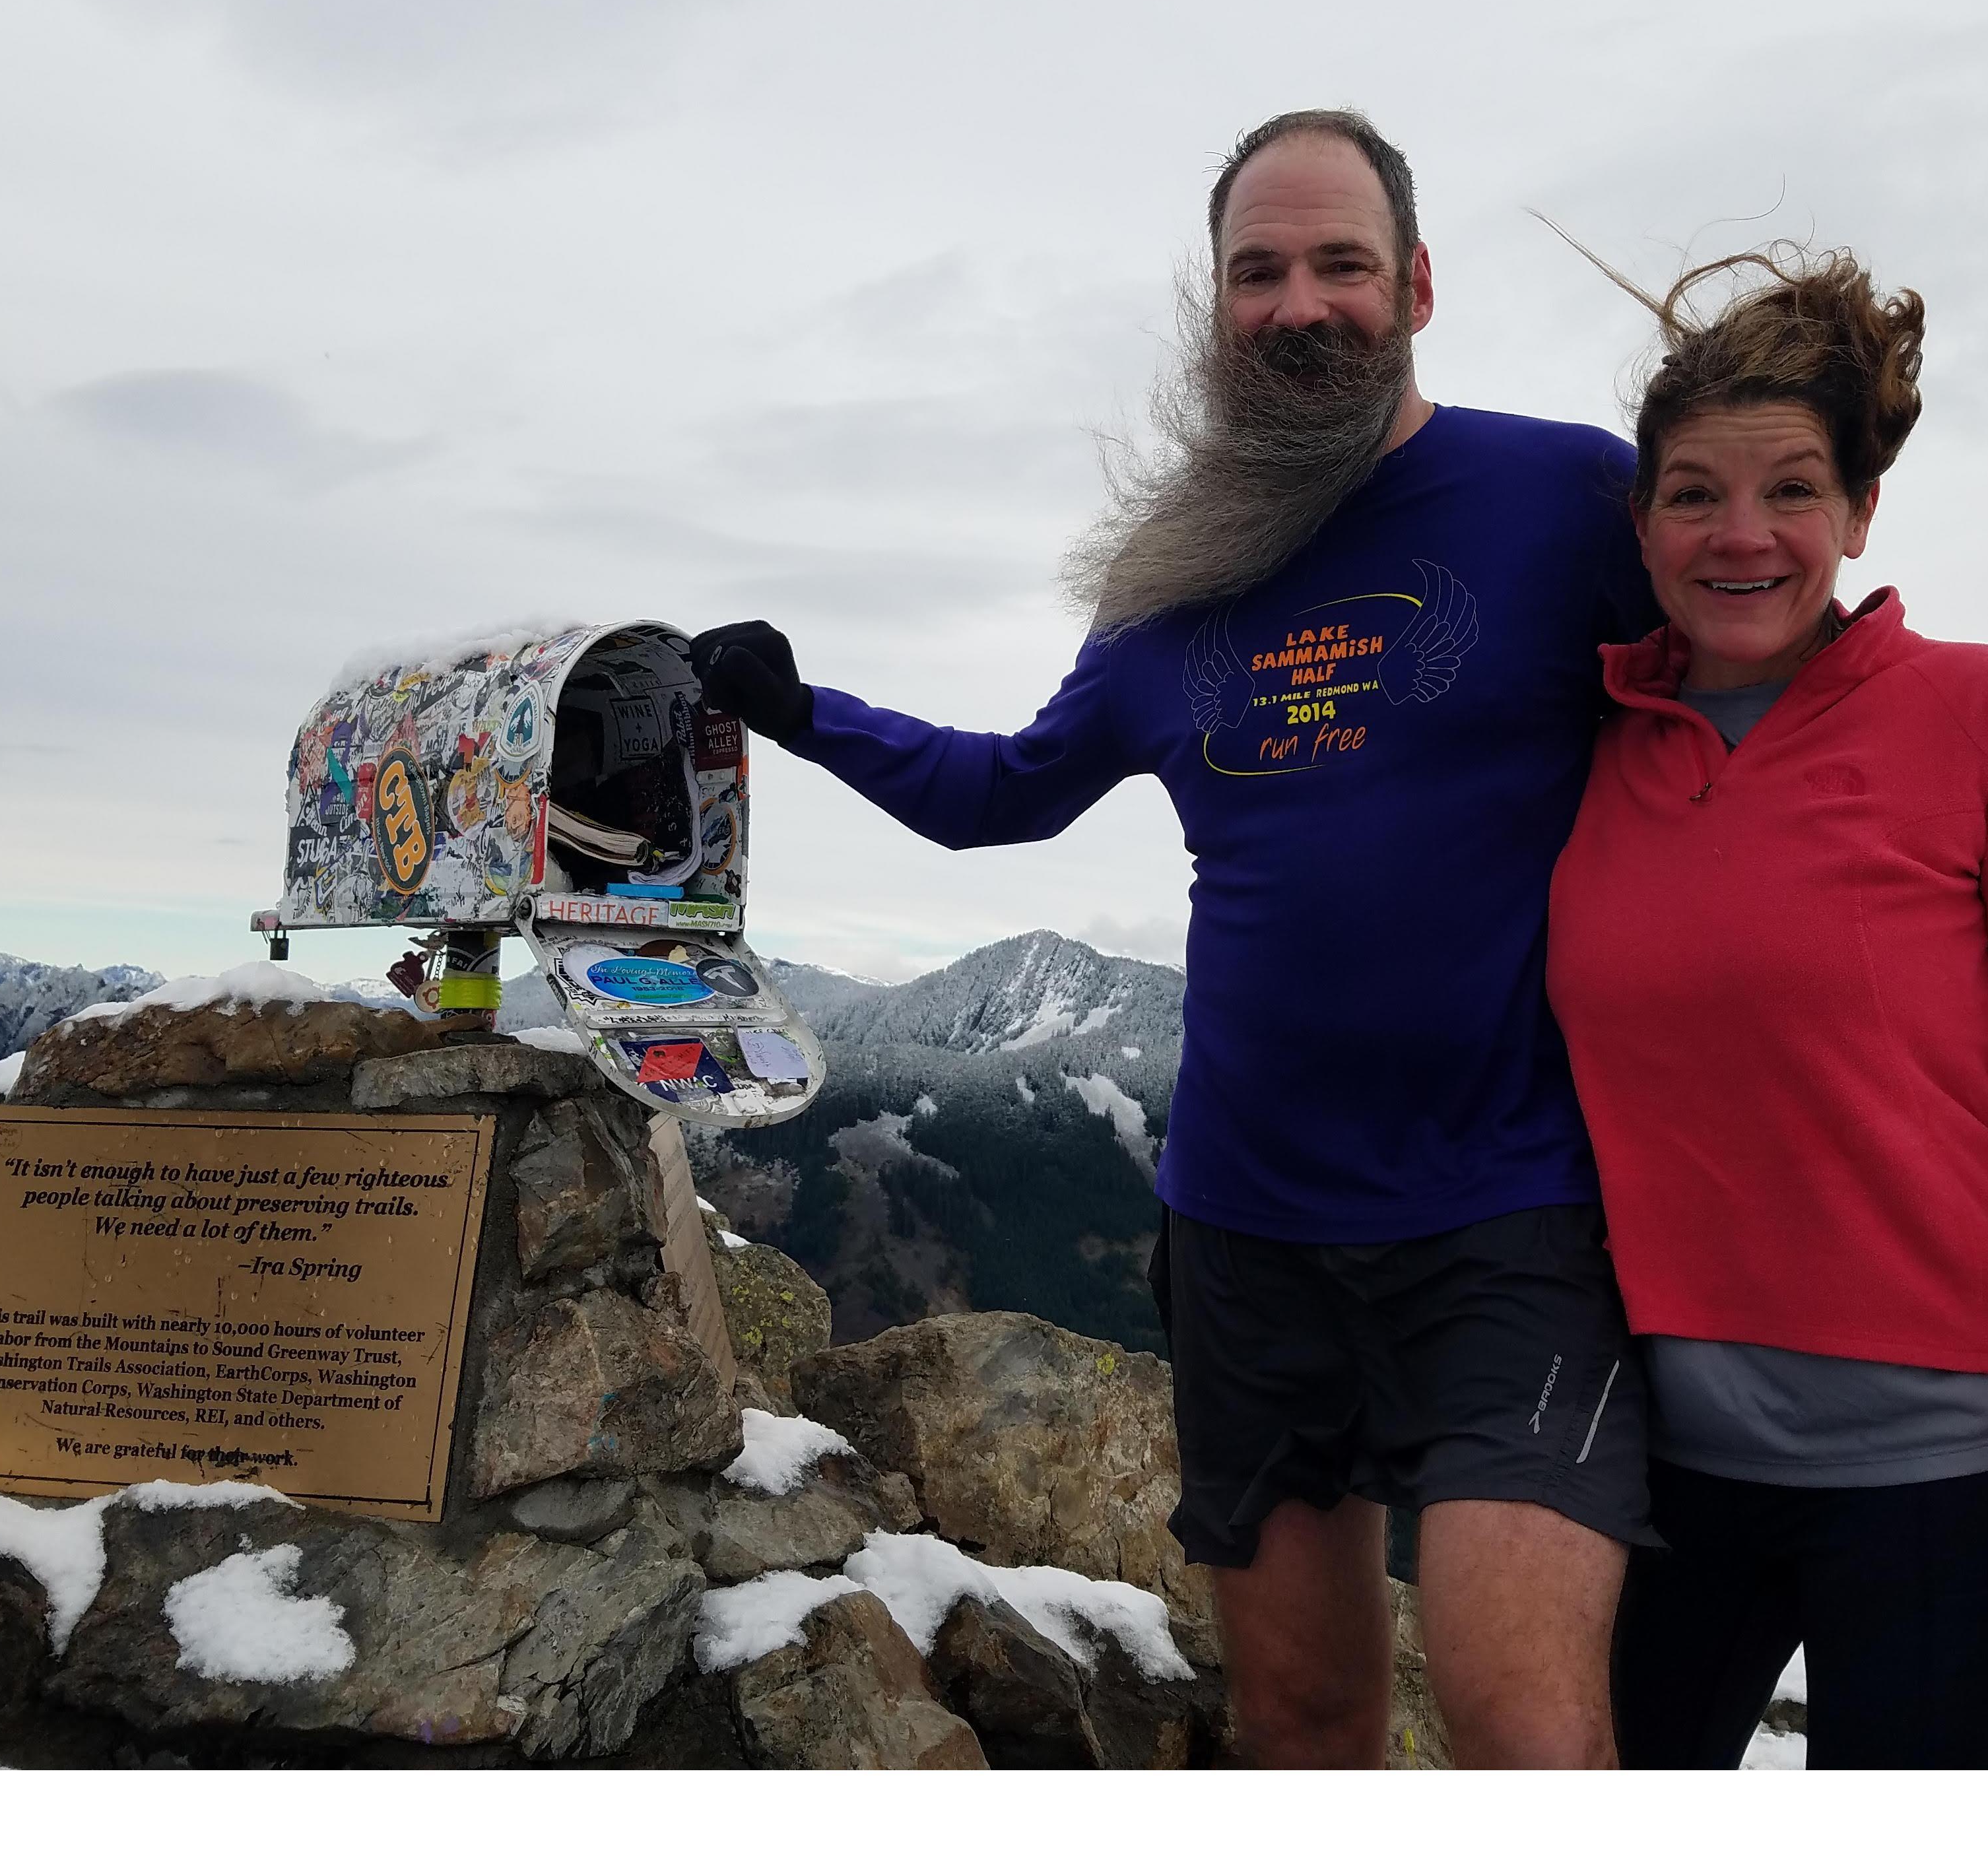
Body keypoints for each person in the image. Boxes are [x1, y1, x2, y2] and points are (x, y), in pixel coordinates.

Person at [690, 110, 1660, 1766]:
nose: (1301, 305)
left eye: (1341, 264)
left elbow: (1747, 710)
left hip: (1510, 1220)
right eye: (1258, 272)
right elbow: (1008, 793)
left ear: (1416, 284)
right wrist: (802, 712)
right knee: (1297, 1719)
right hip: (1248, 1232)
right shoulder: (1174, 572)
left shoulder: (1565, 495)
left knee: (1530, 1737)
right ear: (1215, 309)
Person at [1542, 244, 1988, 1768]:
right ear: (1643, 522)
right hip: (1662, 1463)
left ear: (1858, 514)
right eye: (1692, 493)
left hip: (1955, 1477)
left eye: (1793, 490)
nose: (1743, 535)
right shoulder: (1590, 753)